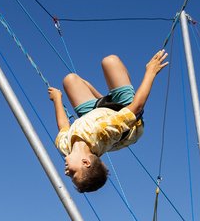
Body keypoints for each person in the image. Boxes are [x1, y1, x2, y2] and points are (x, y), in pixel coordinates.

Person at [49, 51, 169, 193]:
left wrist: (57, 98)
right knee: (109, 61)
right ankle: (108, 99)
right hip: (127, 118)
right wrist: (151, 72)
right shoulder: (103, 133)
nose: (67, 173)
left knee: (69, 80)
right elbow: (137, 106)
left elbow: (63, 126)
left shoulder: (65, 148)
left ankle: (102, 100)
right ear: (86, 162)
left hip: (93, 115)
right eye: (73, 174)